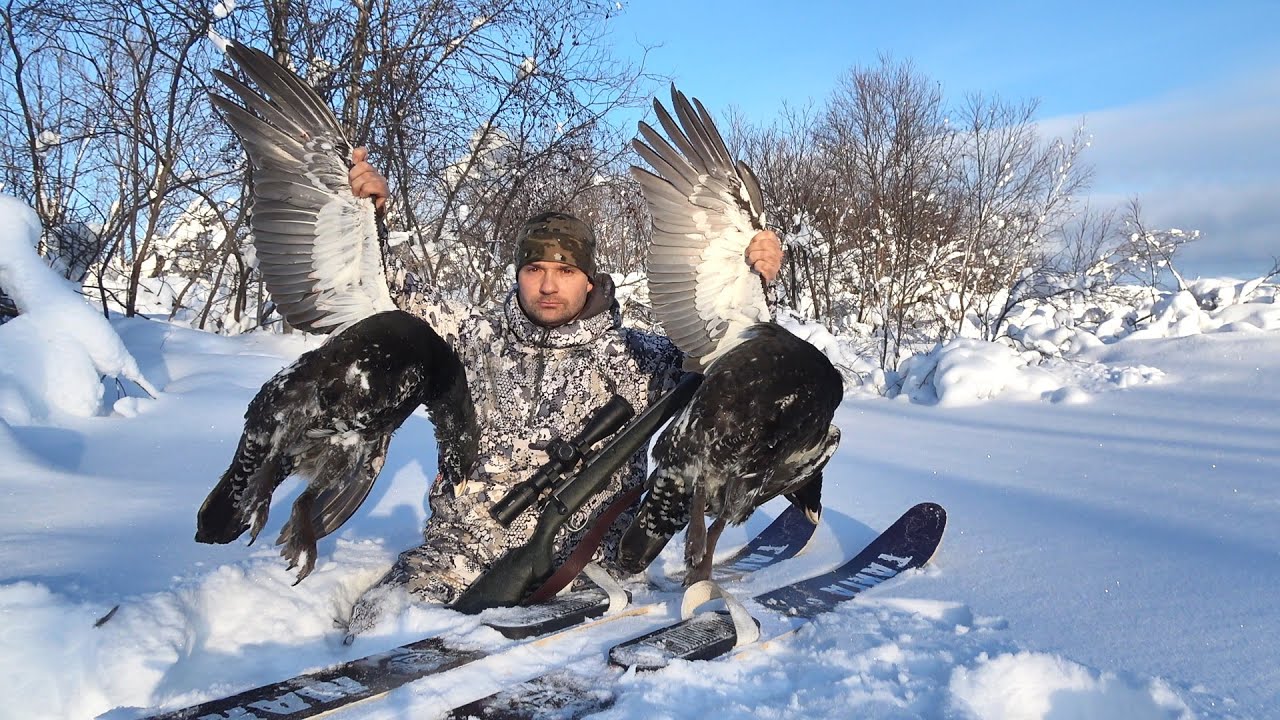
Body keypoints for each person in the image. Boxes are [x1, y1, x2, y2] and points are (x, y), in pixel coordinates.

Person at [345, 149, 783, 627]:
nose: (548, 285)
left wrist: (754, 285)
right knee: (374, 624)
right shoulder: (471, 339)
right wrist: (373, 217)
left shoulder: (644, 359)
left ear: (589, 278)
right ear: (517, 275)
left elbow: (740, 375)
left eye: (565, 271)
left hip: (590, 577)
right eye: (535, 269)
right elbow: (389, 294)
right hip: (455, 558)